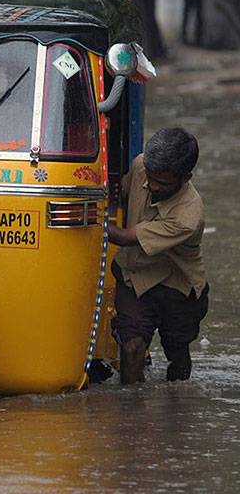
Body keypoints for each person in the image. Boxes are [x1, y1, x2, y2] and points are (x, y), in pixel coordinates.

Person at [108, 127, 208, 385]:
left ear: (185, 177)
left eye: (162, 184)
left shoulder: (188, 216)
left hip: (177, 287)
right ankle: (132, 416)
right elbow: (121, 193)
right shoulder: (142, 164)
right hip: (135, 277)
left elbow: (123, 237)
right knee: (131, 348)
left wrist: (83, 216)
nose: (152, 186)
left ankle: (177, 409)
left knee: (177, 354)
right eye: (150, 178)